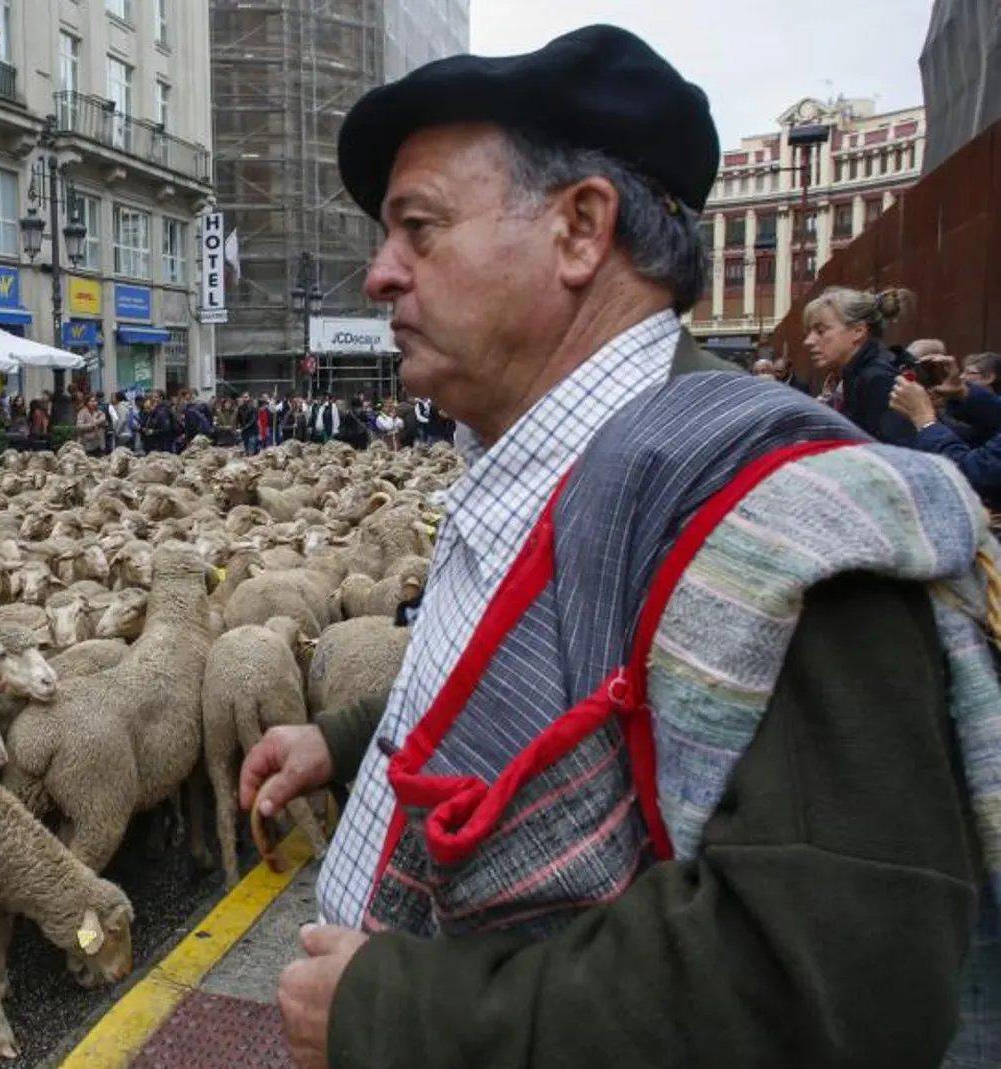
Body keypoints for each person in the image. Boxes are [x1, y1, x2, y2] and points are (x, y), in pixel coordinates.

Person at [239, 24, 1000, 1069]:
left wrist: (397, 1014)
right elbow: (548, 674)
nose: (378, 275)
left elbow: (827, 988)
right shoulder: (553, 457)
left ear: (580, 230)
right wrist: (352, 733)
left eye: (417, 228)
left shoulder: (777, 523)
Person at [802, 285, 918, 443]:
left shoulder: (878, 381)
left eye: (821, 331)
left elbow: (894, 455)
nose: (808, 341)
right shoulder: (852, 378)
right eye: (809, 332)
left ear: (858, 331)